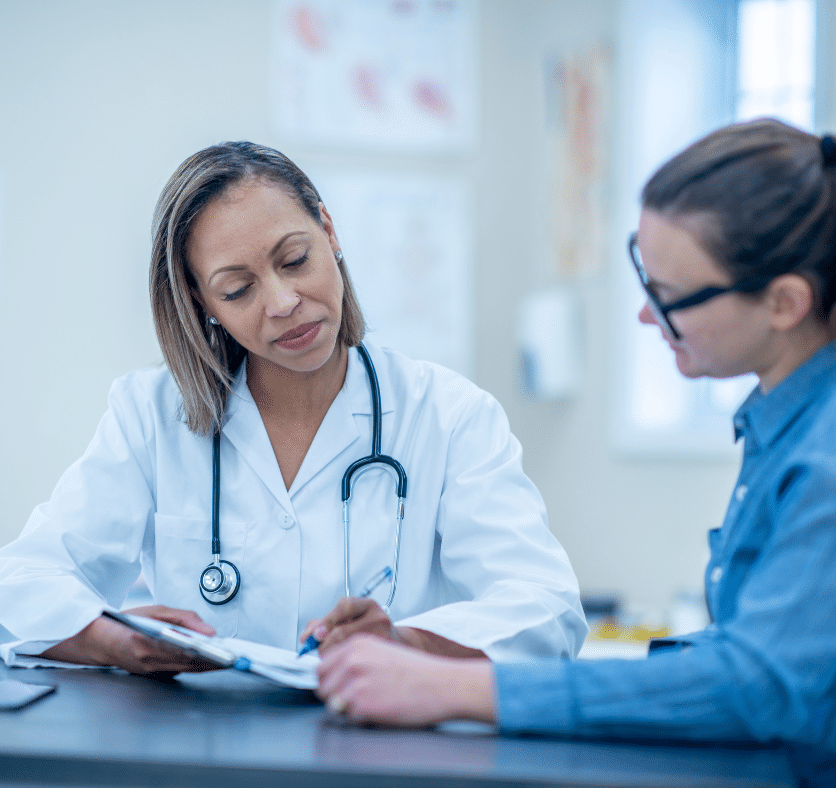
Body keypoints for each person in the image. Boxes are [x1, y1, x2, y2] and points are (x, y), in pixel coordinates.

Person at [316, 119, 836, 787]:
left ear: (785, 302)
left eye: (668, 297)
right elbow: (757, 653)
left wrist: (451, 689)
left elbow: (759, 685)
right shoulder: (785, 421)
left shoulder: (822, 453)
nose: (647, 317)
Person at [0, 141, 587, 675]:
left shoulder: (449, 417)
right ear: (202, 301)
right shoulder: (150, 415)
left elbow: (547, 610)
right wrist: (112, 640)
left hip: (388, 751)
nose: (284, 301)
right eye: (238, 289)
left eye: (295, 260)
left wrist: (405, 642)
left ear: (329, 230)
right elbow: (17, 588)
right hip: (207, 753)